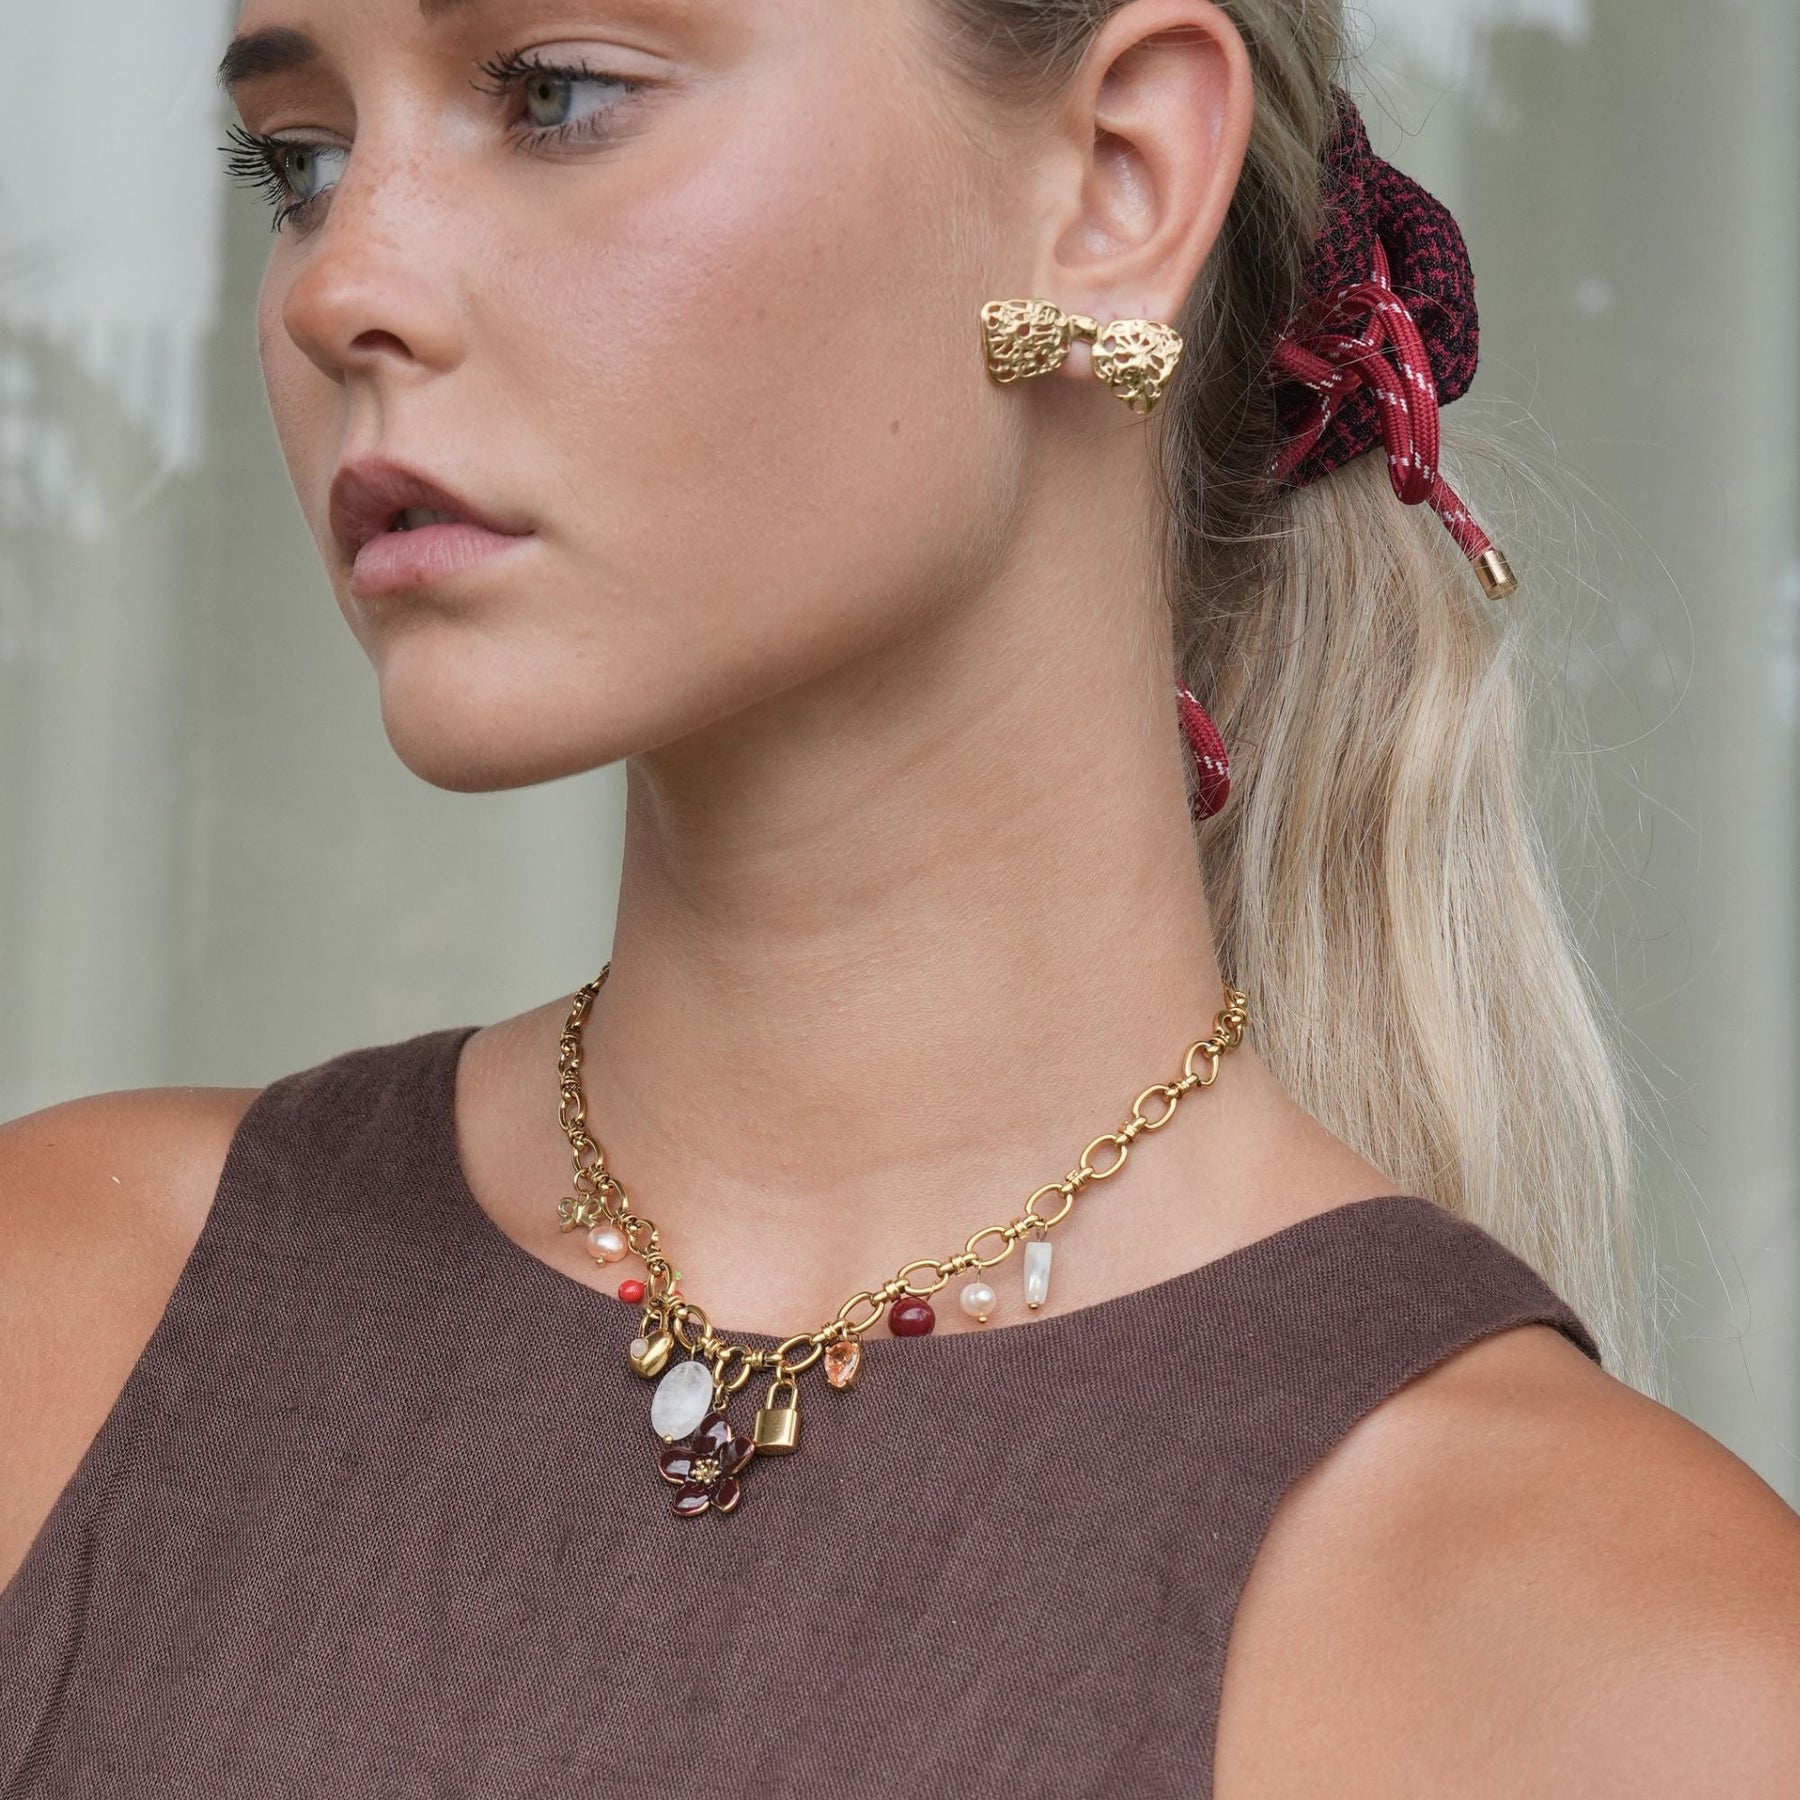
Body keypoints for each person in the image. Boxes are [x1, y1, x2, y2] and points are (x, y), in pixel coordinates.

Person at [3, 0, 1798, 1792]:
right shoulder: (62, 1319)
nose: (338, 289)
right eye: (301, 165)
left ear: (1115, 182)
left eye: (557, 96)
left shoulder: (1625, 1675)